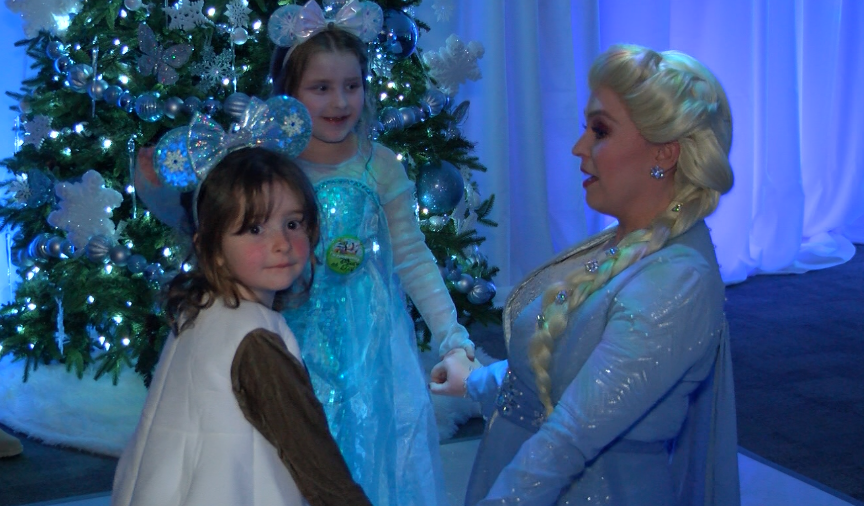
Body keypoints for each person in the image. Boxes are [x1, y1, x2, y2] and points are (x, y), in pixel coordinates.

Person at [430, 44, 741, 506]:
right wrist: (476, 382)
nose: (579, 148)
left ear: (665, 153)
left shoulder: (677, 282)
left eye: (600, 130)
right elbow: (570, 374)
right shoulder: (630, 245)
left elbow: (567, 439)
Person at [112, 96, 371, 506]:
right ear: (211, 247)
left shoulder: (200, 306)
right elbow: (312, 456)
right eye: (254, 229)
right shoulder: (255, 339)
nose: (282, 243)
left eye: (293, 223)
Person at [267, 1, 474, 505]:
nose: (340, 101)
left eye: (352, 85)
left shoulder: (379, 166)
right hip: (294, 340)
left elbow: (412, 256)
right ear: (289, 93)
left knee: (372, 452)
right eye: (320, 87)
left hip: (372, 347)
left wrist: (452, 338)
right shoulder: (271, 167)